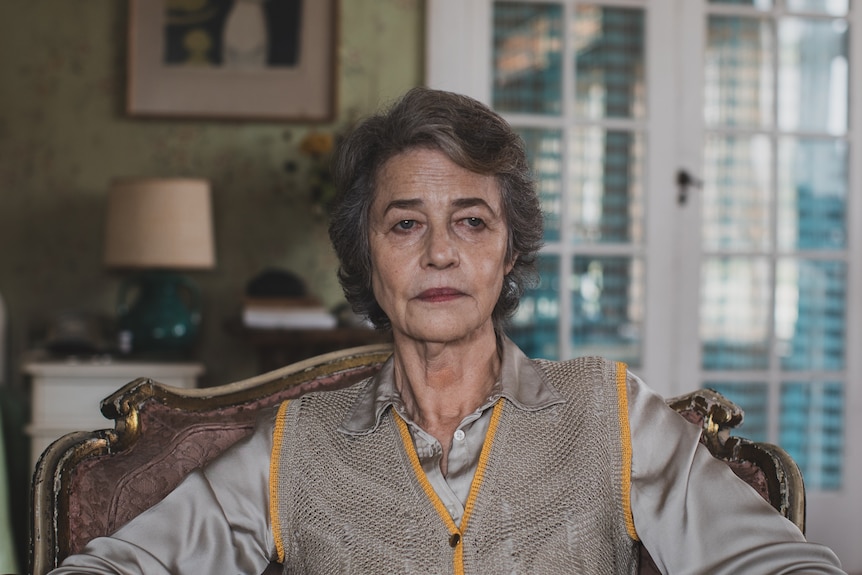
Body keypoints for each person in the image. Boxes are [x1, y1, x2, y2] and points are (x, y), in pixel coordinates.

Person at [50, 87, 845, 574]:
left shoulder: (609, 413)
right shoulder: (297, 441)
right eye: (405, 224)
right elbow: (129, 564)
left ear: (508, 250)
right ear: (368, 253)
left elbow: (773, 563)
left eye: (471, 220)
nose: (440, 251)